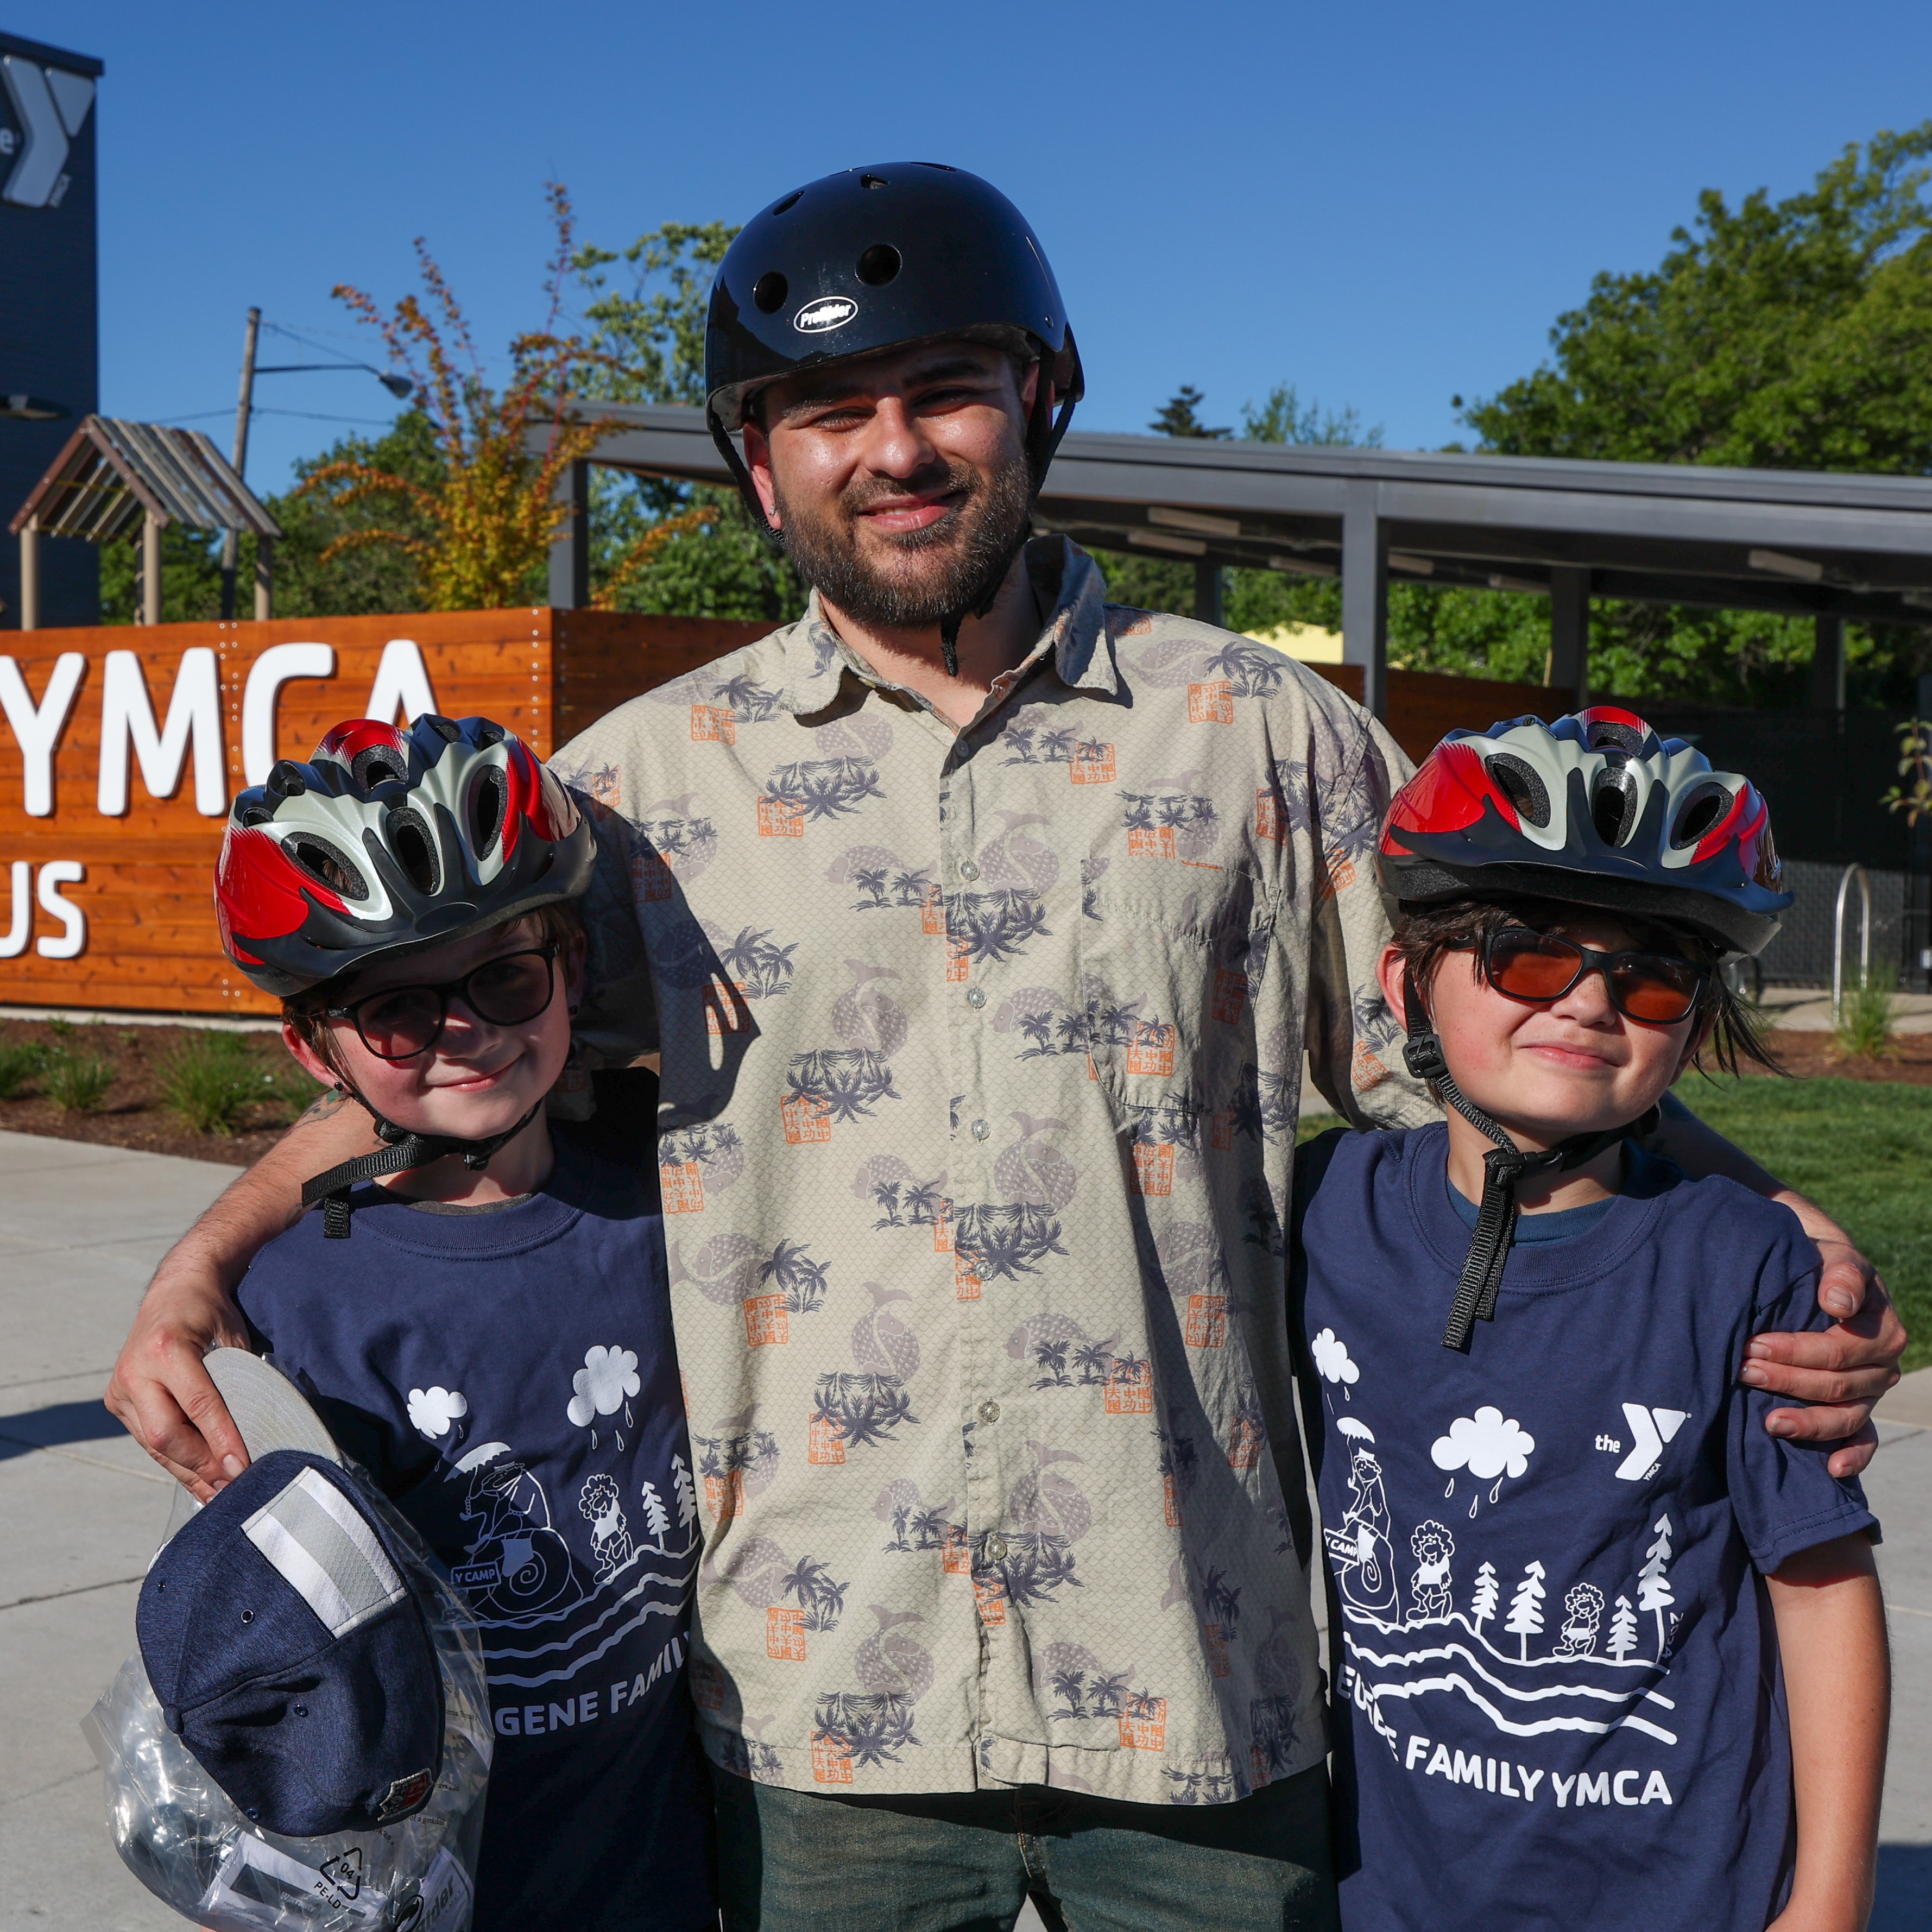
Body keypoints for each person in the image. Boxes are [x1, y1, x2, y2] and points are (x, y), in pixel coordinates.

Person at [108, 166, 1902, 1931]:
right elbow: (461, 1069)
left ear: (1033, 396)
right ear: (758, 456)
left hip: (1197, 1689)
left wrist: (1770, 1225)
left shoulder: (1256, 735)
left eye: (941, 388)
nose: (891, 448)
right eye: (825, 409)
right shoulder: (638, 799)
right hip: (821, 1711)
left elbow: (1507, 1053)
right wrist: (204, 1265)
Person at [1292, 708, 1889, 1932]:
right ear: (1407, 981)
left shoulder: (1742, 1263)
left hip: (1678, 1897)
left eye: (1654, 975)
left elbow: (1823, 1591)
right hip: (1388, 1894)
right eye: (1526, 956)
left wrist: (1830, 1901)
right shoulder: (1323, 1212)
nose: (1587, 1004)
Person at [209, 714, 715, 1932]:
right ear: (310, 1045)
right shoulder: (292, 1303)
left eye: (506, 977)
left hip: (663, 1869)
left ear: (572, 975)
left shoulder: (668, 1183)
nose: (464, 1030)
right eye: (394, 1015)